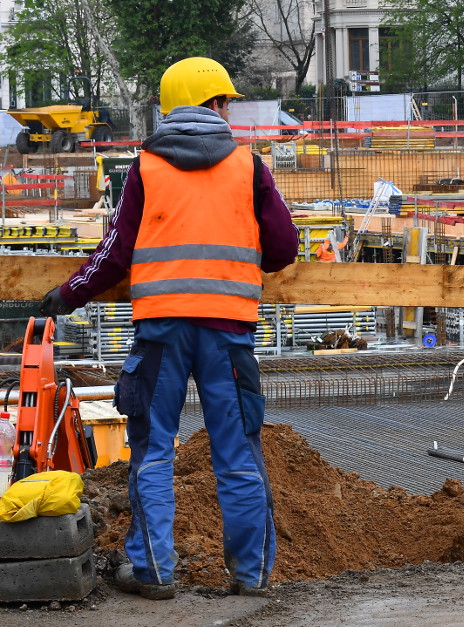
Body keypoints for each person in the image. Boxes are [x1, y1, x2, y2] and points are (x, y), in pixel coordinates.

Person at [39, 57, 300, 598]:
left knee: (153, 451)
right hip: (229, 331)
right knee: (238, 452)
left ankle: (156, 572)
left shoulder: (147, 167)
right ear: (218, 105)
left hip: (161, 332)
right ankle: (250, 576)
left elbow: (115, 255)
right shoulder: (249, 167)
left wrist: (66, 295)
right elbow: (283, 249)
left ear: (168, 107)